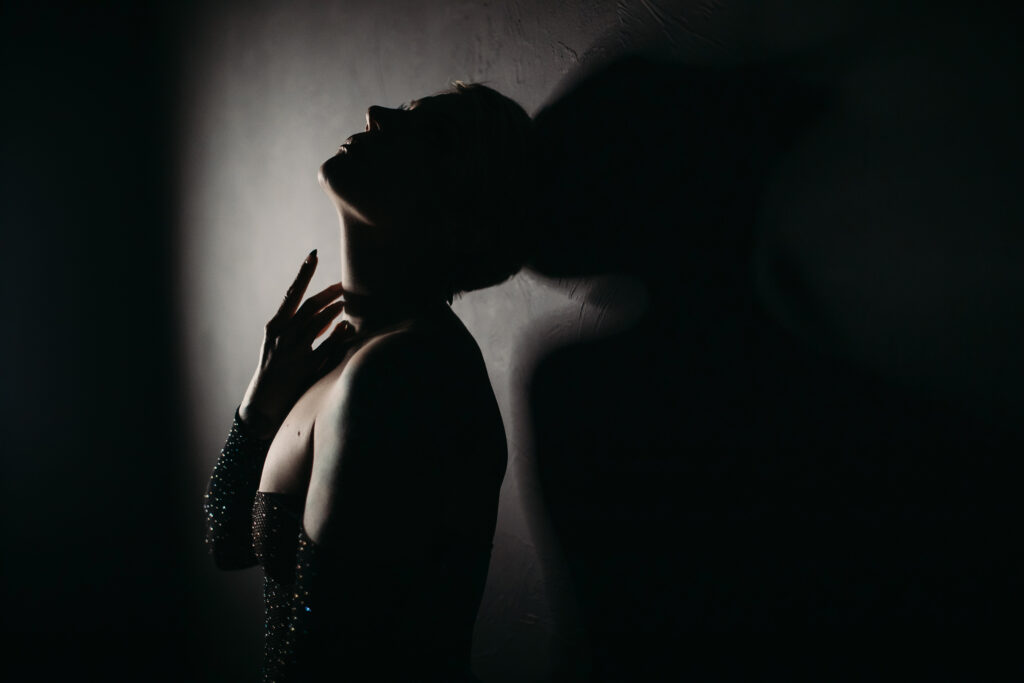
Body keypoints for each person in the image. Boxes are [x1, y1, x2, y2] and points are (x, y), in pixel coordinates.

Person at [204, 82, 533, 682]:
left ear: (455, 199)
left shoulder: (403, 375)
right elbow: (228, 544)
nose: (375, 114)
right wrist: (259, 402)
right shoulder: (348, 357)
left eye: (422, 129)